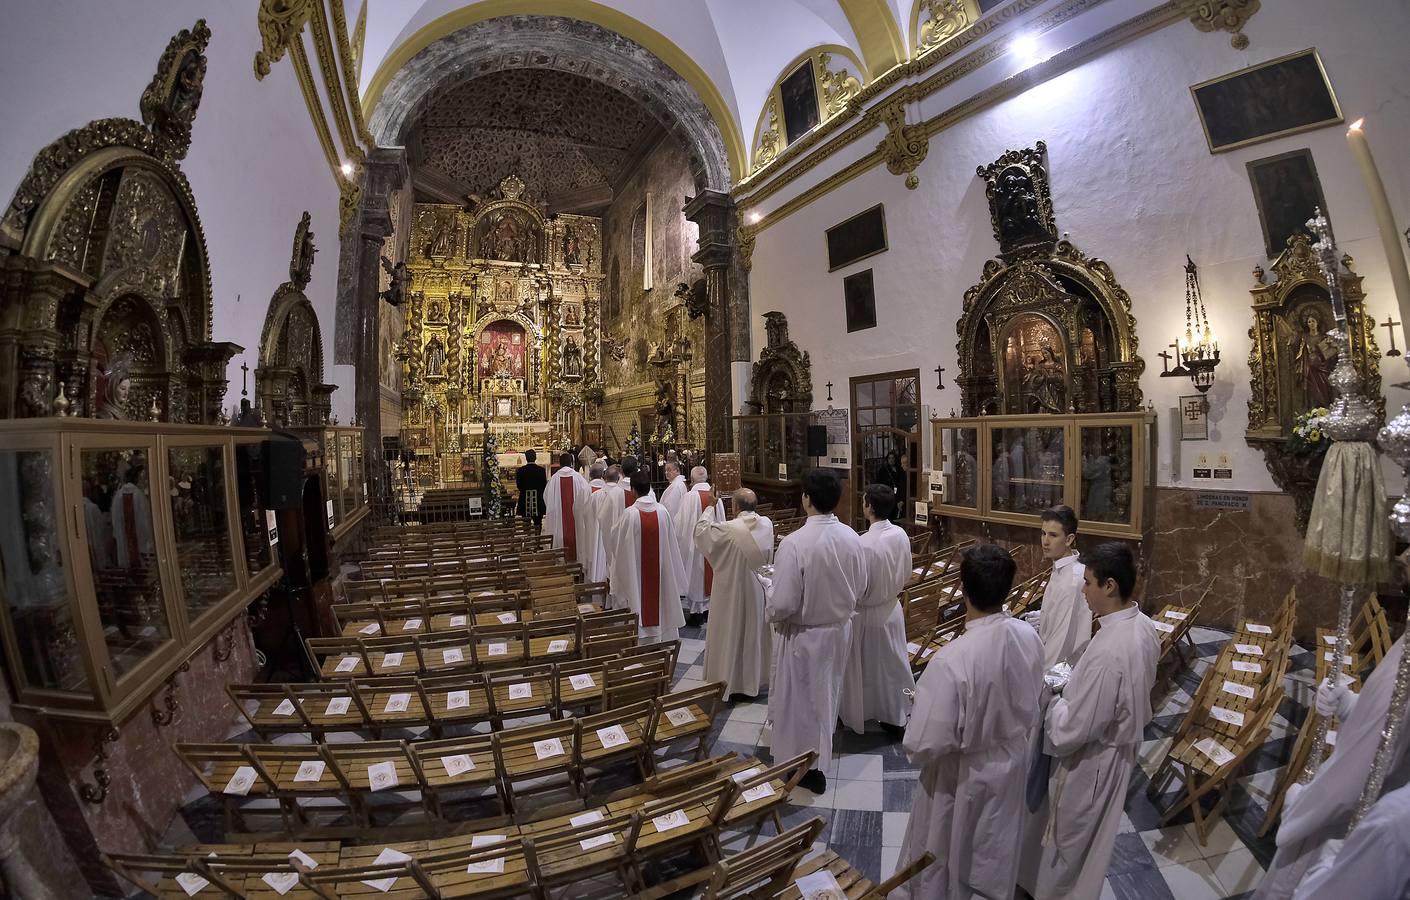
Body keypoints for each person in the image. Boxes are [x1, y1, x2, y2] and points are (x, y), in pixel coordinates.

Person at [896, 543, 1043, 900]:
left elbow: (921, 745)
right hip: (1010, 761)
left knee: (950, 859)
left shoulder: (952, 659)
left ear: (964, 590)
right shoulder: (1029, 637)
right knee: (995, 854)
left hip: (961, 776)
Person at [1018, 541, 1159, 900]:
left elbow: (1073, 730)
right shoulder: (1142, 625)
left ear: (1110, 586)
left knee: (1069, 845)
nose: (1083, 590)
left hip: (1091, 763)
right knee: (1087, 842)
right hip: (1117, 751)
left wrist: (1053, 702)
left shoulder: (1111, 650)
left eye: (1089, 583)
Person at [1254, 632, 1409, 899]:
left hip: (1332, 832)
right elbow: (1388, 732)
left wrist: (1301, 806)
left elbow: (1355, 778)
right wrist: (1349, 704)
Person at [767, 468, 867, 794]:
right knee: (826, 697)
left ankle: (806, 766)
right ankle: (818, 755)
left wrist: (769, 597)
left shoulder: (794, 544)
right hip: (839, 630)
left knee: (803, 704)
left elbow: (782, 603)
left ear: (806, 499)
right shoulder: (853, 537)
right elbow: (861, 586)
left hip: (805, 635)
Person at [840, 484, 915, 738]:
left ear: (869, 507)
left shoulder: (864, 544)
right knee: (892, 664)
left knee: (869, 667)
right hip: (892, 608)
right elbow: (906, 572)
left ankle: (865, 710)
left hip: (869, 613)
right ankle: (895, 712)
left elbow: (857, 586)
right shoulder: (901, 534)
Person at [693, 487, 773, 699]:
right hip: (757, 590)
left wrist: (711, 506)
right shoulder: (767, 525)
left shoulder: (727, 529)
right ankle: (752, 682)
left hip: (731, 591)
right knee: (752, 634)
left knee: (732, 633)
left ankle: (732, 682)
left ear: (735, 506)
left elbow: (700, 532)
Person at [608, 471, 687, 642]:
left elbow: (616, 541)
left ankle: (643, 637)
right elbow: (670, 544)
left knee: (638, 594)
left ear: (633, 490)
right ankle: (662, 636)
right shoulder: (662, 511)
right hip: (659, 569)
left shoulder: (630, 514)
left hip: (637, 571)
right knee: (660, 597)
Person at [1022, 505, 1091, 669]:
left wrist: (1041, 680)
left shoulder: (1071, 582)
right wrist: (1043, 616)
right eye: (1043, 533)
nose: (1045, 541)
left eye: (1053, 535)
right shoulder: (1064, 567)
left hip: (1058, 669)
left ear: (1069, 539)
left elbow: (1061, 642)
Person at [676, 465, 724, 626]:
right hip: (713, 545)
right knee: (710, 575)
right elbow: (721, 522)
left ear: (692, 479)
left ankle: (697, 613)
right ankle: (709, 611)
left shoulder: (690, 497)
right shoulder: (716, 497)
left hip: (695, 546)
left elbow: (681, 525)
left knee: (696, 576)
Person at [543, 452, 591, 564]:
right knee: (577, 537)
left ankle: (560, 560)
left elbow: (546, 497)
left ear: (559, 463)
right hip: (576, 518)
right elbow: (587, 495)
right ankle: (576, 563)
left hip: (559, 518)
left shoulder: (554, 479)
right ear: (571, 463)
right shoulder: (579, 478)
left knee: (560, 535)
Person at [579, 462, 609, 582]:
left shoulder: (585, 489)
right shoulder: (611, 489)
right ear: (603, 475)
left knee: (591, 556)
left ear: (590, 475)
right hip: (606, 532)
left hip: (589, 530)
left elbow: (578, 510)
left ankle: (591, 588)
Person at [514, 449, 548, 531]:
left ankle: (527, 538)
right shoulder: (541, 470)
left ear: (526, 458)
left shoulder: (521, 470)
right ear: (535, 457)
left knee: (525, 521)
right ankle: (537, 538)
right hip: (538, 499)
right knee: (538, 521)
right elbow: (544, 485)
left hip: (525, 498)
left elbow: (519, 485)